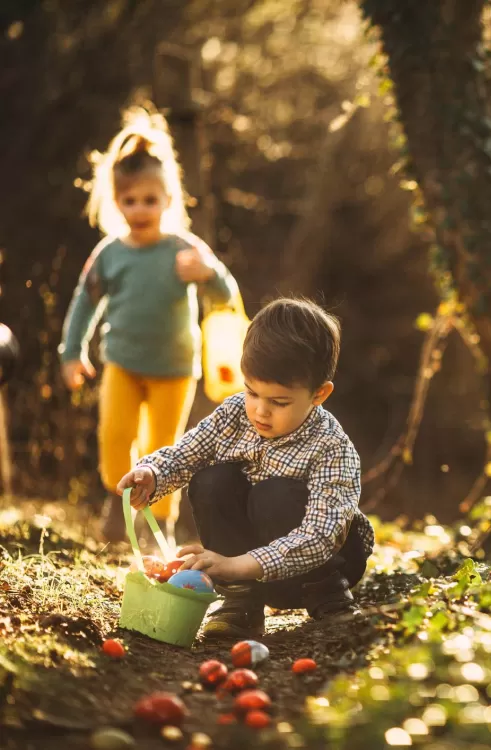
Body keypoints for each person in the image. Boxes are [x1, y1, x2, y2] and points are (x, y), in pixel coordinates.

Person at [116, 297, 374, 640]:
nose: (260, 412)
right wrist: (152, 473)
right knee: (211, 480)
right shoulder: (235, 414)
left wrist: (237, 564)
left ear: (319, 395)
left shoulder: (331, 447)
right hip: (248, 570)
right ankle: (242, 604)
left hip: (321, 565)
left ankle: (331, 601)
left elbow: (321, 535)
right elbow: (187, 453)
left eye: (278, 402)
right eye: (252, 392)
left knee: (274, 494)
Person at [59, 107, 238, 545]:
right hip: (122, 361)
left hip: (175, 369)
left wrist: (207, 274)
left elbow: (226, 294)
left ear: (169, 199)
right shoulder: (109, 254)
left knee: (165, 450)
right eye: (129, 200)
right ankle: (115, 507)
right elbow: (84, 303)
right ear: (114, 201)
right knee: (115, 437)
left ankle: (163, 527)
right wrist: (71, 352)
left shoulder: (187, 251)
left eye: (149, 200)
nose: (139, 209)